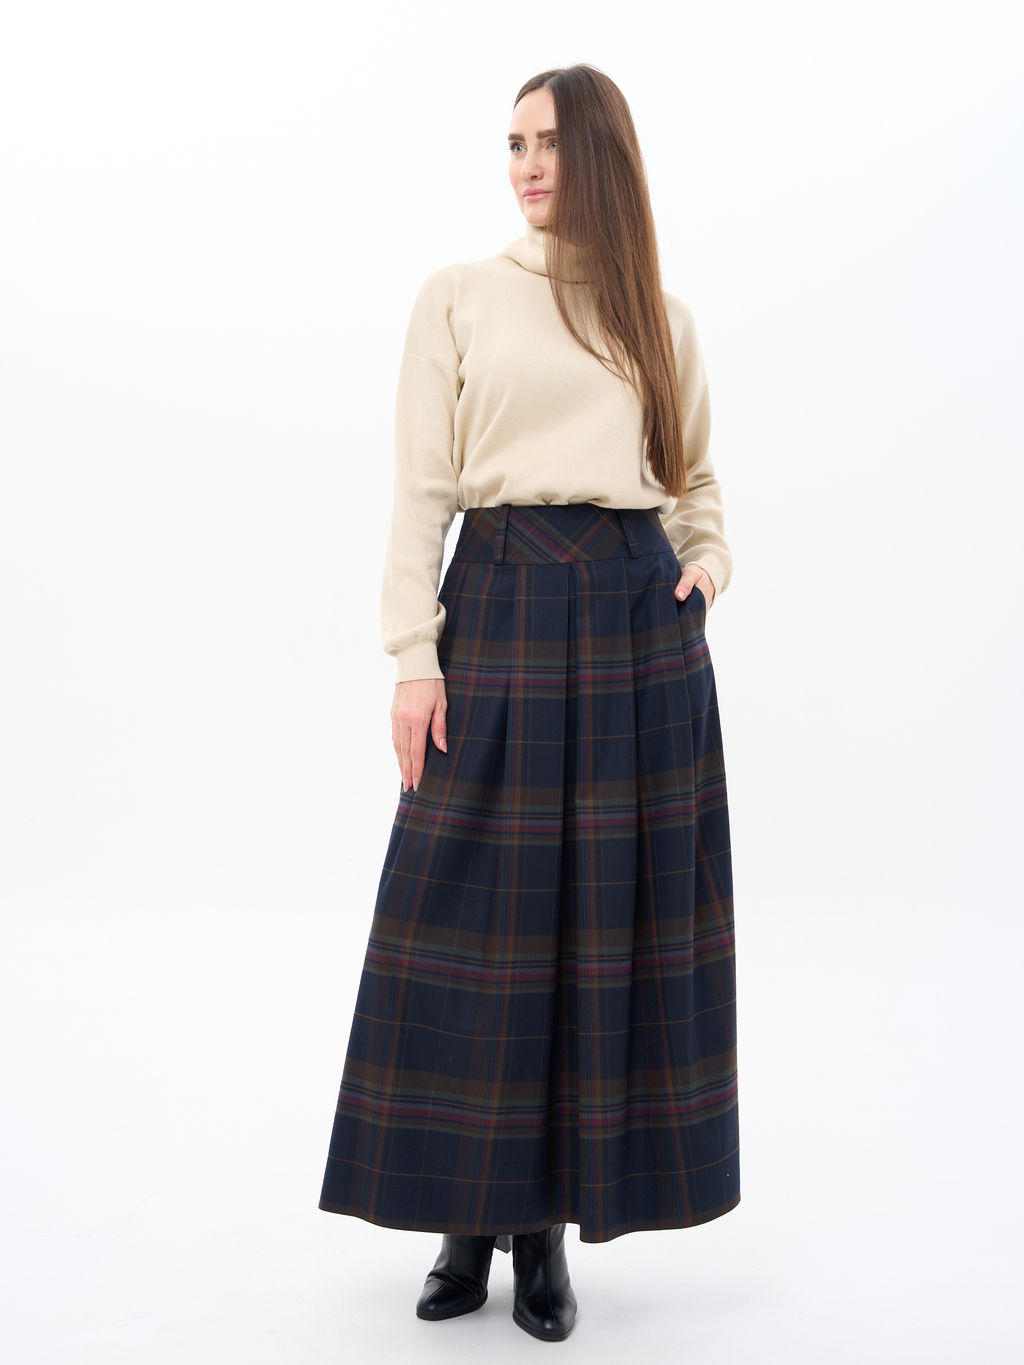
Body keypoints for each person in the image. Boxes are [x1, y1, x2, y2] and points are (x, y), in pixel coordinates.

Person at [318, 63, 740, 1343]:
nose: (527, 165)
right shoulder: (457, 297)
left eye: (548, 142)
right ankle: (465, 1219)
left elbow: (695, 484)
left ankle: (544, 1235)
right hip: (496, 605)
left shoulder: (657, 317)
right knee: (465, 919)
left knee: (593, 932)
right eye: (512, 143)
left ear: (599, 155)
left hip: (630, 628)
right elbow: (419, 489)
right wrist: (413, 654)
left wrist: (705, 566)